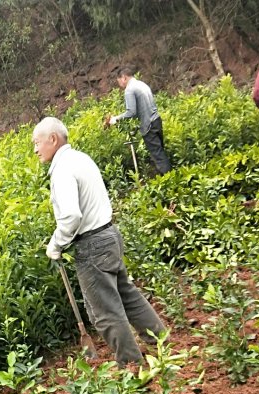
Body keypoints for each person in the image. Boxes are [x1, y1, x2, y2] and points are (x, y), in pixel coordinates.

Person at [33, 116, 166, 365]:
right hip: (109, 235)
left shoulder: (62, 170)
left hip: (92, 245)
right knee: (127, 295)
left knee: (105, 313)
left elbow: (72, 215)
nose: (36, 149)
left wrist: (55, 245)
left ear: (53, 139)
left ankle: (131, 366)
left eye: (37, 143)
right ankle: (160, 340)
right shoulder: (81, 159)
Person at [107, 66, 171, 175]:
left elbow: (131, 112)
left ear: (124, 78)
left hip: (148, 126)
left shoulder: (129, 90)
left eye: (119, 82)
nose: (120, 85)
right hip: (156, 120)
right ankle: (168, 177)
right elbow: (141, 109)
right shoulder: (142, 84)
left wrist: (115, 119)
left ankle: (170, 181)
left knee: (158, 156)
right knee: (160, 152)